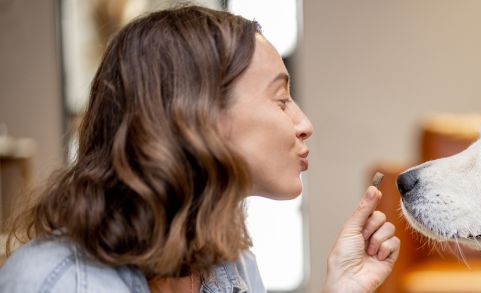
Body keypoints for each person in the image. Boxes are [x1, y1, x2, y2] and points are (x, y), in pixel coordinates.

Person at [0, 5, 399, 293]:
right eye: (280, 100)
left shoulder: (229, 263)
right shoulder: (54, 281)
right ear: (195, 117)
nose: (305, 125)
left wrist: (341, 287)